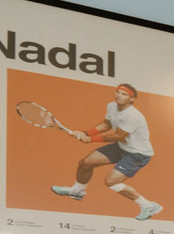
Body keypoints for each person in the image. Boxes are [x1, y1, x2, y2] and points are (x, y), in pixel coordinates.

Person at [51, 84, 161, 222]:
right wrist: (85, 133)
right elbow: (106, 125)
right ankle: (78, 191)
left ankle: (148, 206)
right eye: (117, 92)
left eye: (124, 94)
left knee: (111, 182)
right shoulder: (112, 106)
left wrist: (90, 139)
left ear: (132, 99)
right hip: (122, 147)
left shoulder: (133, 116)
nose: (118, 96)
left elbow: (119, 136)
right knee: (86, 163)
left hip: (137, 154)